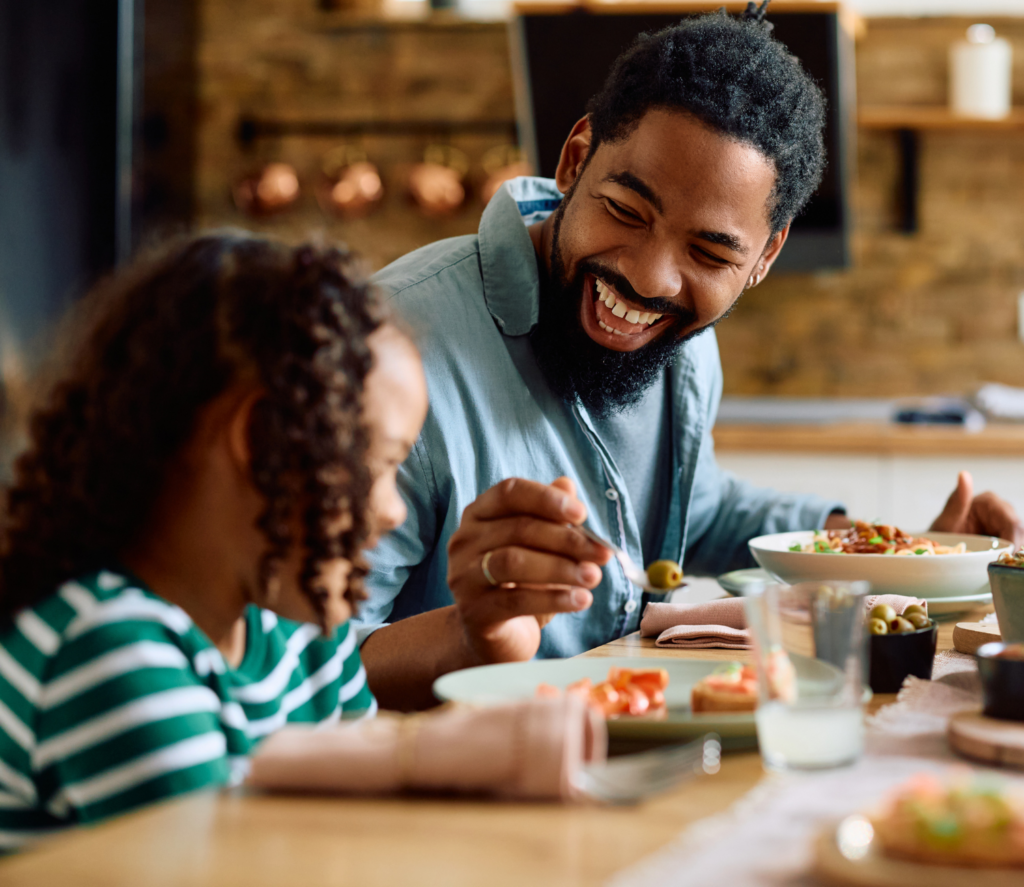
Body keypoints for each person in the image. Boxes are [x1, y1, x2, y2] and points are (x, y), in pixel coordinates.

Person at [355, 5, 1023, 711]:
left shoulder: (685, 350)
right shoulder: (389, 353)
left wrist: (902, 554)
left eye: (708, 252)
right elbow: (291, 666)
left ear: (764, 257)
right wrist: (473, 634)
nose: (649, 278)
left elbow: (697, 510)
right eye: (625, 210)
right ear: (575, 159)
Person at [0, 233, 428, 849]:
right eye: (379, 465)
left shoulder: (303, 636)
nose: (391, 510)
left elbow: (370, 833)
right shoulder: (110, 650)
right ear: (258, 439)